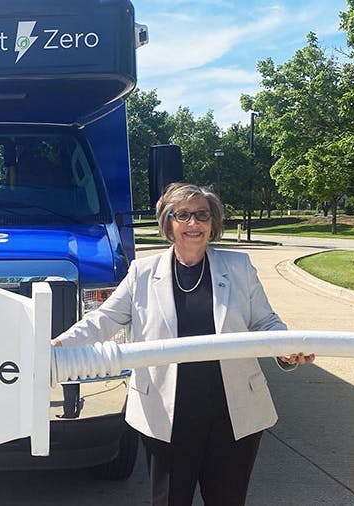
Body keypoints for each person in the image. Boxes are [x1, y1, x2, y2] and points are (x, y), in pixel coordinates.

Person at [52, 182, 313, 505]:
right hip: (166, 416)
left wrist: (285, 348)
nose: (194, 223)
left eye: (202, 215)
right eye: (183, 215)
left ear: (213, 222)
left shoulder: (239, 268)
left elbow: (265, 322)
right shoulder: (142, 273)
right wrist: (60, 345)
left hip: (233, 416)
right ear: (168, 222)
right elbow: (102, 320)